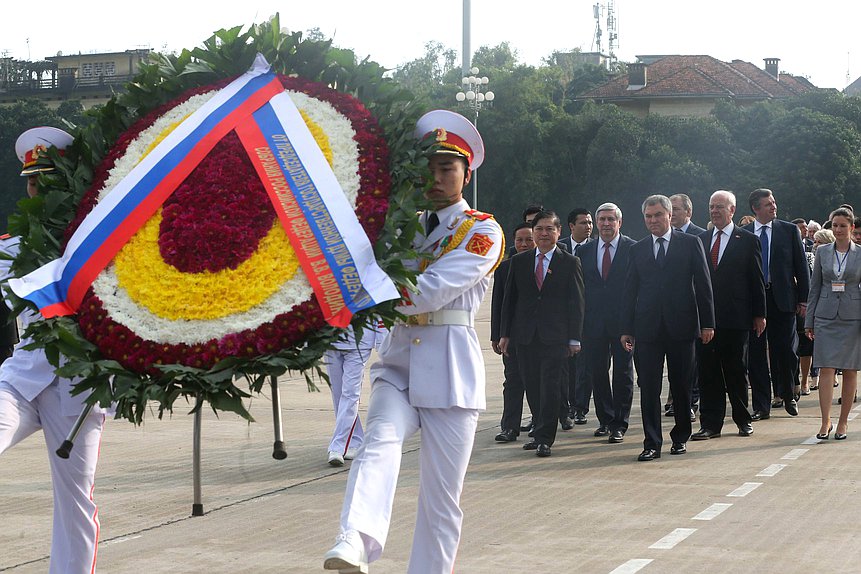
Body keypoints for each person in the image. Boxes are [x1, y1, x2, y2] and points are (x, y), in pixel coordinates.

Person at [323, 110, 503, 574]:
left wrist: (364, 288)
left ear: (466, 172)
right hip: (398, 363)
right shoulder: (396, 227)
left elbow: (431, 290)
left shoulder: (482, 230)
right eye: (429, 168)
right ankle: (355, 541)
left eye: (447, 168)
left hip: (449, 371)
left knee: (441, 501)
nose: (437, 177)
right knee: (377, 443)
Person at [0, 127, 110, 574]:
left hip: (79, 391)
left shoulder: (102, 242)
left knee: (75, 501)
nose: (37, 188)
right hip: (21, 379)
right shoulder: (13, 247)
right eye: (31, 180)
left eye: (48, 178)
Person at [621, 194, 714, 461]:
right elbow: (630, 291)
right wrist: (626, 327)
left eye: (657, 215)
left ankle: (680, 436)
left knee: (681, 384)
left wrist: (707, 323)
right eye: (648, 217)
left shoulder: (690, 243)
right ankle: (652, 442)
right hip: (647, 328)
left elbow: (704, 286)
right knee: (648, 386)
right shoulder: (637, 249)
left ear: (669, 215)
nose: (653, 221)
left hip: (682, 326)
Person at [499, 211, 585, 457]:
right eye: (539, 229)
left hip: (555, 336)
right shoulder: (520, 261)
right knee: (532, 385)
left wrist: (574, 338)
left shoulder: (569, 262)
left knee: (550, 387)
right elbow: (510, 301)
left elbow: (576, 303)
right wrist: (505, 334)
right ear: (533, 232)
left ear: (559, 232)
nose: (544, 234)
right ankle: (539, 429)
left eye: (549, 229)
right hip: (525, 336)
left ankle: (545, 437)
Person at [692, 191, 765, 440]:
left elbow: (756, 280)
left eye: (720, 207)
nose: (714, 211)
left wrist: (759, 314)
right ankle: (710, 424)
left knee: (736, 371)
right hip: (706, 320)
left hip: (736, 318)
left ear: (732, 210)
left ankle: (743, 419)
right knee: (708, 372)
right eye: (711, 206)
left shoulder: (746, 239)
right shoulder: (700, 240)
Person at [743, 189, 810, 420]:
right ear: (755, 208)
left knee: (787, 351)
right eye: (768, 204)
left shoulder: (788, 230)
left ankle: (788, 392)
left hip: (782, 299)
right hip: (754, 302)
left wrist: (803, 299)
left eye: (774, 203)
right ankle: (762, 406)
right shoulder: (744, 233)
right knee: (757, 354)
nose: (773, 207)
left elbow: (801, 267)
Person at [578, 202, 636, 443]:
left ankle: (620, 422)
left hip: (623, 324)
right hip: (593, 325)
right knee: (597, 373)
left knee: (622, 373)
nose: (605, 224)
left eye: (610, 219)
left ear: (619, 222)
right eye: (601, 219)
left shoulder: (632, 249)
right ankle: (605, 419)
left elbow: (635, 289)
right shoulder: (585, 251)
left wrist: (631, 325)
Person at [805, 208, 861, 440]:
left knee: (849, 370)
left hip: (852, 316)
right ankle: (825, 420)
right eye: (834, 225)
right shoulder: (823, 252)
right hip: (825, 316)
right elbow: (815, 287)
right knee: (826, 367)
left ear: (852, 228)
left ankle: (843, 422)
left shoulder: (860, 254)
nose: (837, 230)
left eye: (842, 226)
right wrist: (809, 320)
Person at [491, 222, 535, 442]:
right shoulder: (505, 268)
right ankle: (510, 426)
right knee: (513, 381)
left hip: (540, 335)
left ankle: (540, 423)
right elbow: (498, 303)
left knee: (539, 382)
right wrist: (496, 335)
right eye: (520, 240)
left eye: (529, 239)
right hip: (513, 336)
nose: (524, 244)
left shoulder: (545, 265)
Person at [324, 322, 386, 466]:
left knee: (350, 394)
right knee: (339, 395)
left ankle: (337, 447)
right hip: (330, 339)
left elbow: (377, 304)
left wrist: (382, 340)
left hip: (360, 340)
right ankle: (356, 440)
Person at [667, 193, 705, 420]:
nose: (672, 214)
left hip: (694, 309)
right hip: (669, 311)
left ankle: (691, 400)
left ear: (688, 212)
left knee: (693, 362)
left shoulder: (700, 236)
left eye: (676, 209)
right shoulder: (662, 237)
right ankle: (675, 399)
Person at [556, 207, 593, 427]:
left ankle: (580, 407)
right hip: (562, 316)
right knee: (565, 365)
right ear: (571, 226)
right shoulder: (559, 247)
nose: (588, 226)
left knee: (584, 365)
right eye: (583, 223)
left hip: (587, 316)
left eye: (590, 223)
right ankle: (566, 405)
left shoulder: (597, 248)